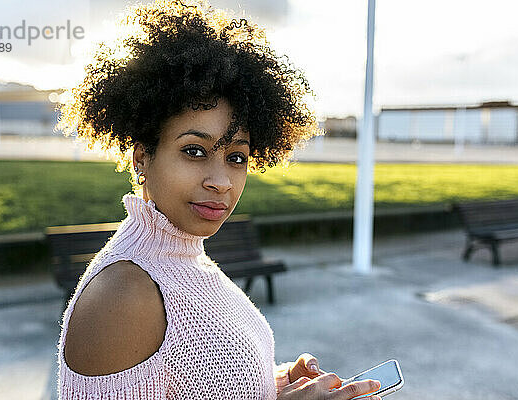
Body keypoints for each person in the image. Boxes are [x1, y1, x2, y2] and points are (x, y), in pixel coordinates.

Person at [54, 0, 382, 398]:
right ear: (142, 157)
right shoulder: (125, 293)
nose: (222, 181)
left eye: (236, 157)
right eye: (194, 150)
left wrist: (273, 384)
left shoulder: (187, 257)